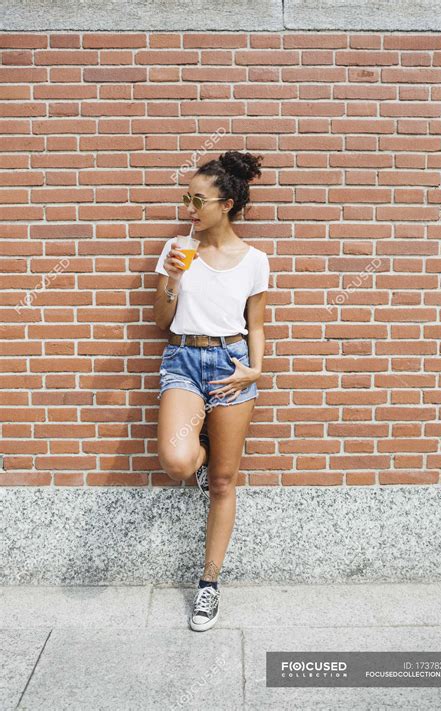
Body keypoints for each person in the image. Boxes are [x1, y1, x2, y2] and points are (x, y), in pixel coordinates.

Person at [153, 150, 270, 632]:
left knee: (223, 482)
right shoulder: (176, 250)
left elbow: (256, 325)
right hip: (183, 360)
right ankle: (199, 450)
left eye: (197, 199)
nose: (189, 207)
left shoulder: (255, 261)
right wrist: (174, 280)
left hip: (230, 365)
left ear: (226, 204)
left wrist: (255, 371)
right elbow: (161, 322)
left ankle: (208, 584)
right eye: (187, 197)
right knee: (179, 461)